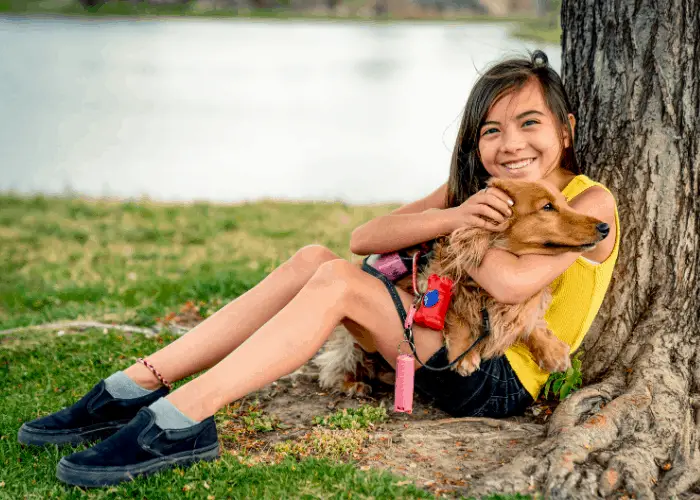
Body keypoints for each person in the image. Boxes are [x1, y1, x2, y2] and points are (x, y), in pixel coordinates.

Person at [18, 50, 619, 487]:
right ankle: (136, 385)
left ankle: (181, 420)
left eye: (529, 123)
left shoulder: (588, 204)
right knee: (315, 259)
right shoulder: (478, 192)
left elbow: (513, 282)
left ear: (564, 132)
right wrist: (454, 212)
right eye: (492, 130)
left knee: (337, 283)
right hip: (440, 334)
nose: (511, 144)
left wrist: (468, 231)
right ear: (476, 141)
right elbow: (364, 238)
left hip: (493, 376)